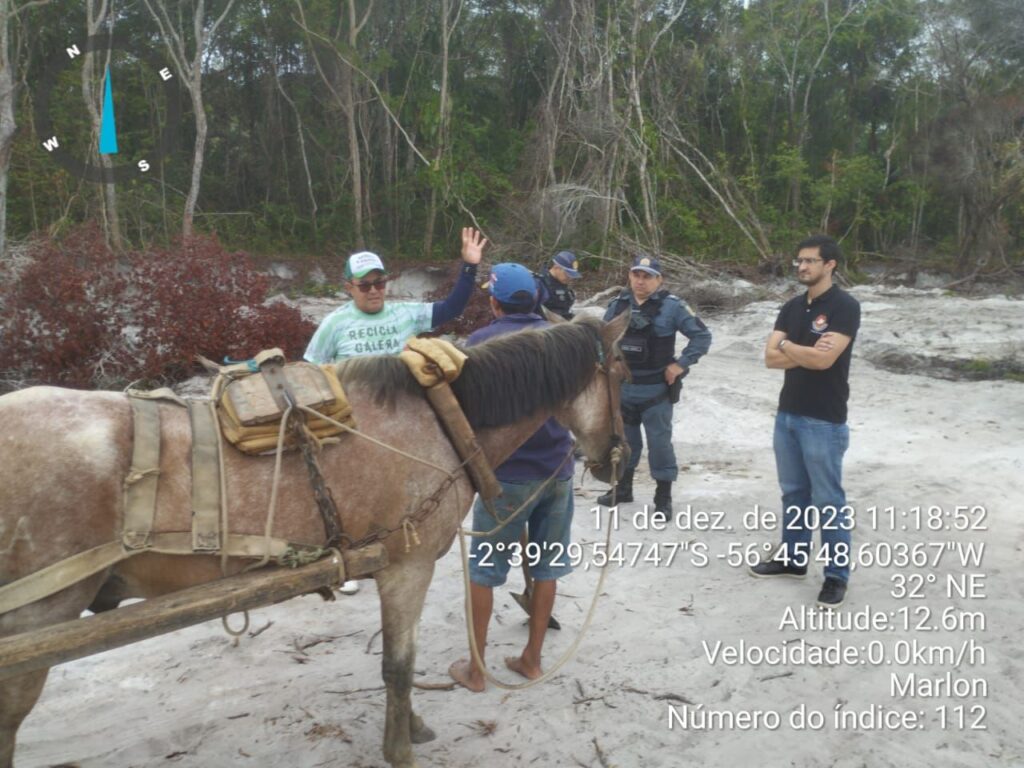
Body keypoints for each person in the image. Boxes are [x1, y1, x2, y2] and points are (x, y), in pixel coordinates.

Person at [304, 227, 487, 593]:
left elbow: (451, 308)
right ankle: (345, 560)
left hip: (403, 426)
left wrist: (468, 268)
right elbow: (309, 369)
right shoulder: (334, 324)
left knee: (399, 493)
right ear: (348, 287)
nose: (374, 290)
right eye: (365, 284)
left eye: (380, 282)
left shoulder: (405, 314)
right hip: (352, 428)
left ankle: (399, 546)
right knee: (347, 495)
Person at [448, 263, 575, 693]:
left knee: (483, 570)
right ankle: (532, 660)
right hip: (558, 470)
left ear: (494, 302)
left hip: (506, 478)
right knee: (545, 568)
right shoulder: (560, 340)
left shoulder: (481, 344)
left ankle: (476, 669)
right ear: (537, 299)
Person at [750, 234, 860, 609]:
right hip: (788, 415)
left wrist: (787, 347)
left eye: (810, 261)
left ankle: (835, 575)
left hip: (824, 420)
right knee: (794, 492)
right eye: (799, 260)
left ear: (830, 264)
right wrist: (802, 350)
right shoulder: (792, 307)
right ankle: (794, 560)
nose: (801, 266)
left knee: (829, 500)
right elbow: (769, 358)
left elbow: (823, 362)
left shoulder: (845, 307)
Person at [595, 254, 711, 521]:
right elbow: (601, 339)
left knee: (659, 445)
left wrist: (680, 364)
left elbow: (702, 336)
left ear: (659, 280)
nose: (640, 281)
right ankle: (623, 489)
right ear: (629, 276)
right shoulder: (618, 305)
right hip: (623, 390)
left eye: (647, 276)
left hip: (656, 391)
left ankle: (663, 497)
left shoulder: (673, 308)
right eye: (636, 274)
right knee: (625, 442)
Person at [534, 250, 581, 320]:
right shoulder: (539, 284)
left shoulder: (562, 284)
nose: (570, 278)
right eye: (567, 274)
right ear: (557, 268)